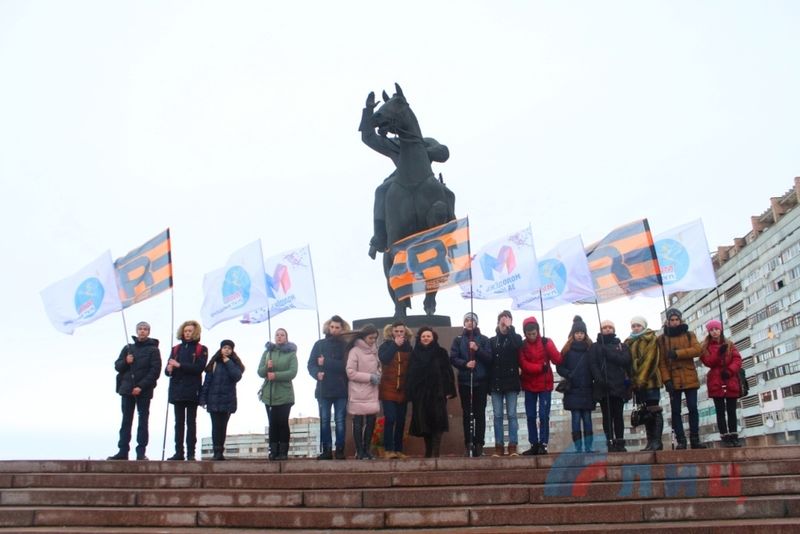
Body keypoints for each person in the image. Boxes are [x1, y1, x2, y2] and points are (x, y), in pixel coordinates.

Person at [359, 91, 451, 258]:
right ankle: (379, 238)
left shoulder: (425, 141)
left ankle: (452, 234)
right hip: (399, 180)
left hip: (425, 177)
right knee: (381, 191)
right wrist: (368, 111)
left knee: (448, 194)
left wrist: (422, 152)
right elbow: (368, 137)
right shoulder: (393, 143)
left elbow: (443, 153)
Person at [108, 321, 161, 461]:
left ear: (149, 332)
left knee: (143, 422)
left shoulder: (154, 350)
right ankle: (122, 451)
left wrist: (141, 386)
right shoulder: (128, 348)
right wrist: (126, 361)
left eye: (145, 329)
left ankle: (141, 452)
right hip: (126, 389)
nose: (142, 331)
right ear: (137, 331)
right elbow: (117, 366)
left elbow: (155, 371)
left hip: (144, 391)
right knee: (126, 421)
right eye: (140, 329)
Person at [658, 308, 707, 449]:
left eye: (676, 319)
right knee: (675, 411)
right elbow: (661, 361)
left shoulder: (689, 334)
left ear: (680, 320)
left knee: (692, 408)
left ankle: (695, 439)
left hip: (689, 376)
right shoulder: (662, 339)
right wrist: (666, 380)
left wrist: (678, 353)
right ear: (667, 321)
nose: (674, 322)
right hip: (673, 378)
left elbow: (698, 350)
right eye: (671, 320)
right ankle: (681, 440)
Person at [406, 326, 457, 457]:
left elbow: (448, 372)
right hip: (421, 394)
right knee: (424, 424)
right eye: (423, 336)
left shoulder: (441, 352)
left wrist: (449, 390)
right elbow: (410, 374)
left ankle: (435, 452)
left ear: (433, 338)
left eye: (428, 336)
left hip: (437, 393)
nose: (426, 338)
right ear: (419, 338)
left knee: (437, 423)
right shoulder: (415, 353)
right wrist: (412, 392)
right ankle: (428, 451)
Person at [307, 315, 351, 460]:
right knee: (324, 420)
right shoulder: (319, 344)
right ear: (328, 327)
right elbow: (311, 364)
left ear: (342, 329)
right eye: (332, 327)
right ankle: (326, 450)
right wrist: (316, 374)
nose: (334, 330)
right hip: (323, 389)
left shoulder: (346, 346)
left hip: (340, 388)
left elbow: (346, 366)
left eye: (337, 327)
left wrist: (326, 362)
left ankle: (339, 450)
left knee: (340, 420)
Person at [165, 320, 208, 461]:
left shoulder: (201, 349)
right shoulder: (176, 349)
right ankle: (179, 452)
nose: (188, 333)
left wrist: (179, 365)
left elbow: (199, 368)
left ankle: (191, 453)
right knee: (178, 423)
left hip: (192, 390)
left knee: (191, 423)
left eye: (190, 331)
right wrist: (169, 369)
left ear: (195, 332)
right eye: (186, 331)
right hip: (177, 390)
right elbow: (167, 370)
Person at [450, 312, 492, 457]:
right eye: (467, 320)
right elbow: (453, 358)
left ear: (476, 323)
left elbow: (489, 358)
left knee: (480, 413)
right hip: (465, 381)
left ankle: (479, 444)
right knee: (467, 414)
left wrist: (477, 349)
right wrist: (465, 364)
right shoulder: (458, 340)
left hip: (480, 381)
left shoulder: (484, 339)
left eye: (472, 320)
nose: (469, 322)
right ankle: (468, 443)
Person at [519, 316, 562, 455]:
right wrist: (539, 367)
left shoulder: (546, 342)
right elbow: (523, 364)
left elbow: (557, 359)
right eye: (529, 334)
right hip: (529, 384)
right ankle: (534, 443)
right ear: (525, 333)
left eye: (534, 333)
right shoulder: (522, 345)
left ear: (538, 331)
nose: (532, 336)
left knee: (544, 415)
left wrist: (549, 345)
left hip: (544, 385)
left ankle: (543, 444)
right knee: (531, 416)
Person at [590, 320, 632, 452]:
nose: (607, 329)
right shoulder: (595, 346)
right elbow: (593, 364)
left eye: (610, 327)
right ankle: (609, 441)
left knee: (618, 415)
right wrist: (600, 379)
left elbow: (625, 360)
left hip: (619, 385)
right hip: (604, 387)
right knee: (607, 416)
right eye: (605, 327)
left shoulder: (621, 345)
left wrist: (608, 353)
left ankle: (620, 441)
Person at [199, 340, 244, 461]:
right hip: (213, 399)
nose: (227, 350)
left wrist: (228, 362)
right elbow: (207, 382)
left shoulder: (234, 363)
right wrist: (203, 399)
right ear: (220, 349)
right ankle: (216, 451)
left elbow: (237, 376)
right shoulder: (214, 363)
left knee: (223, 426)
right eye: (224, 348)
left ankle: (220, 451)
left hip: (227, 400)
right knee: (215, 426)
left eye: (229, 348)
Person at [701, 319, 743, 448]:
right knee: (720, 411)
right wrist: (719, 354)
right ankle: (724, 436)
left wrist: (730, 371)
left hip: (729, 379)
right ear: (709, 332)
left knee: (731, 410)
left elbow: (737, 359)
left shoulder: (730, 344)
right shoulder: (705, 347)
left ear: (721, 329)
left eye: (716, 329)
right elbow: (708, 362)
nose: (714, 332)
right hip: (715, 381)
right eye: (712, 330)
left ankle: (734, 436)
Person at [556, 316, 595, 453]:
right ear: (573, 334)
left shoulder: (591, 349)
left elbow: (595, 366)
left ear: (585, 334)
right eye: (577, 333)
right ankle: (578, 448)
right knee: (576, 419)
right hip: (573, 390)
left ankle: (589, 447)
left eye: (582, 333)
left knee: (588, 419)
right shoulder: (567, 350)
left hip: (587, 389)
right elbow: (559, 367)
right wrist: (568, 374)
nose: (579, 335)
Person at [258, 328, 298, 461]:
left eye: (282, 335)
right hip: (269, 394)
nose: (279, 337)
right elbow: (260, 372)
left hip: (285, 394)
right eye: (277, 335)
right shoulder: (268, 352)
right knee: (272, 422)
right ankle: (273, 450)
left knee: (282, 422)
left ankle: (283, 451)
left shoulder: (291, 354)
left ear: (286, 337)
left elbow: (292, 372)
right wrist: (267, 367)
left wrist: (276, 375)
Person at [625, 316, 664, 451]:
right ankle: (650, 442)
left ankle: (657, 441)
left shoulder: (650, 338)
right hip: (637, 384)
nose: (636, 328)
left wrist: (641, 379)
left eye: (638, 326)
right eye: (634, 326)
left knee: (654, 410)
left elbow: (650, 360)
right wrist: (633, 380)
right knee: (645, 412)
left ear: (644, 326)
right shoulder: (629, 342)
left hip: (651, 381)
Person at [488, 310, 523, 456]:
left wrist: (510, 329)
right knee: (497, 415)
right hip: (496, 382)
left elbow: (517, 346)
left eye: (507, 321)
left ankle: (513, 445)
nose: (504, 324)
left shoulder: (515, 337)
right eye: (502, 321)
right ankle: (499, 446)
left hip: (511, 382)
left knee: (512, 414)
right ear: (497, 323)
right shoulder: (492, 341)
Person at [378, 321, 414, 459]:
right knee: (390, 418)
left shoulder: (409, 348)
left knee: (400, 420)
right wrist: (395, 345)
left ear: (405, 333)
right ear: (391, 332)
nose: (399, 334)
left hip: (403, 389)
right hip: (388, 388)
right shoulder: (385, 346)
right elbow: (384, 359)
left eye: (401, 331)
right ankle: (388, 449)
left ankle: (398, 450)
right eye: (396, 331)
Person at [346, 324, 381, 460]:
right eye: (371, 338)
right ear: (364, 337)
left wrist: (378, 375)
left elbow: (378, 366)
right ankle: (359, 450)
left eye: (375, 338)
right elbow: (350, 372)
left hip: (372, 390)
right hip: (358, 391)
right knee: (358, 421)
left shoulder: (375, 350)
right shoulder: (355, 351)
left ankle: (367, 449)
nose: (373, 340)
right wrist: (369, 377)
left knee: (371, 421)